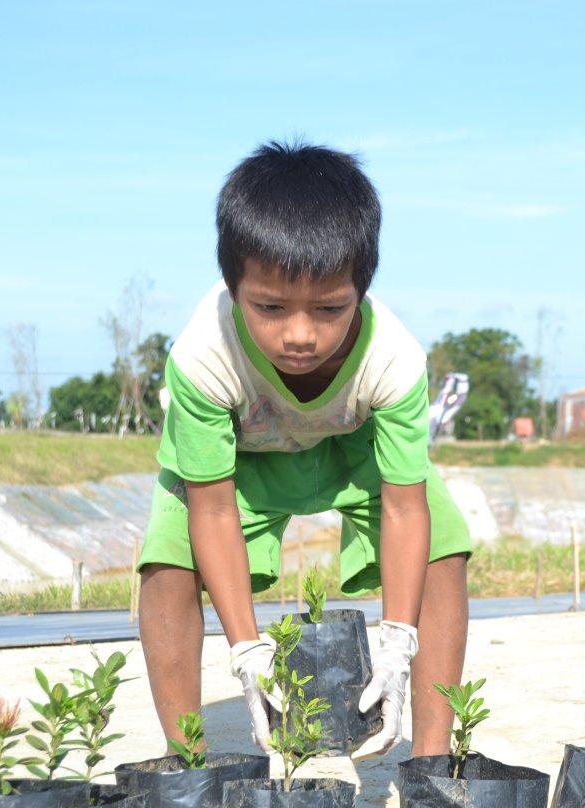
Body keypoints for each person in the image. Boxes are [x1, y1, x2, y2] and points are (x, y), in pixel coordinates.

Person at [138, 142, 471, 760]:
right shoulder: (201, 355)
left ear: (361, 290)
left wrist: (399, 641)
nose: (298, 334)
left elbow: (404, 508)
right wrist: (246, 650)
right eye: (268, 307)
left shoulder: (394, 359)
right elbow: (210, 510)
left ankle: (429, 759)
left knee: (444, 546)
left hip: (352, 453)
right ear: (234, 287)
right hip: (247, 464)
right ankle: (183, 761)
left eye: (329, 309)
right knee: (167, 558)